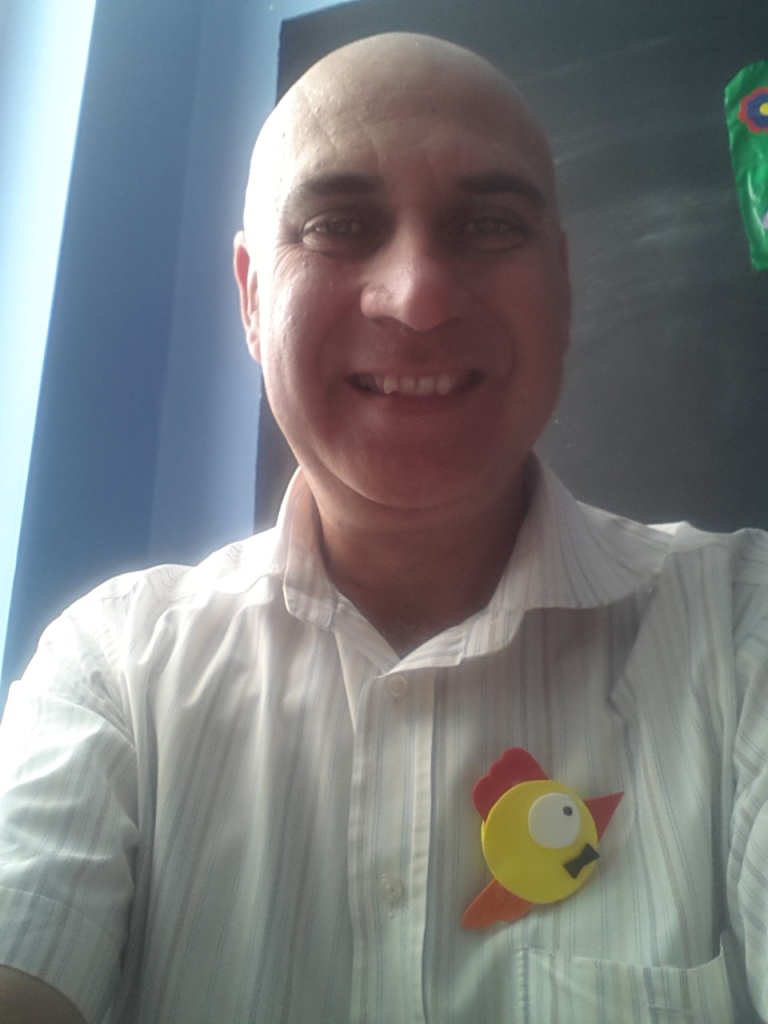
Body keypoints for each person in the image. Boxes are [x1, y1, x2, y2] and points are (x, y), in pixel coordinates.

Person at [0, 31, 767, 1024]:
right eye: (337, 224)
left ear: (564, 283)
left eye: (489, 223)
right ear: (252, 297)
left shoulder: (744, 626)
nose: (419, 296)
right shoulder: (112, 670)